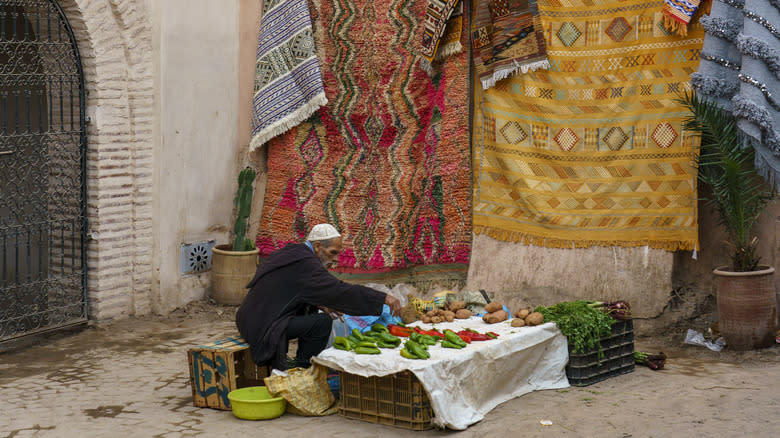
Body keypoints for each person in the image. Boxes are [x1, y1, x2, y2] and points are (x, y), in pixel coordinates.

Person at [236, 224, 402, 370]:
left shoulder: (294, 252)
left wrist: (322, 303)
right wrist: (383, 298)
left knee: (314, 309)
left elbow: (293, 288)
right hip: (263, 327)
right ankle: (303, 367)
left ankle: (300, 363)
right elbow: (339, 290)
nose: (335, 259)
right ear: (317, 246)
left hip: (248, 318)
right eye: (332, 253)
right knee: (322, 323)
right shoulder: (307, 265)